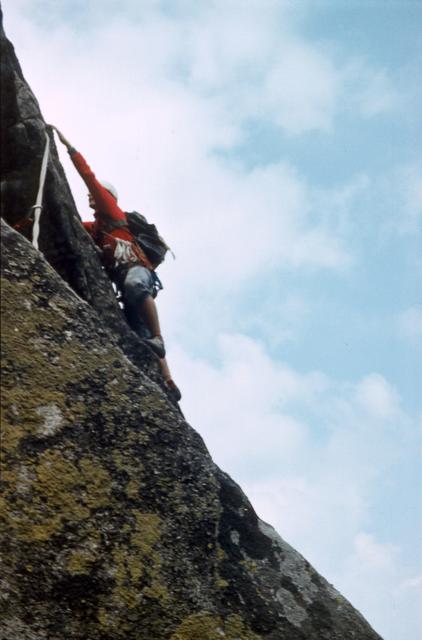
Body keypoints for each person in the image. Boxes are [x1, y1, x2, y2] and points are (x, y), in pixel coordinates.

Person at [51, 125, 181, 402]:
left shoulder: (112, 213)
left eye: (96, 195)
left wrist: (70, 148)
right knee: (140, 336)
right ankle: (167, 381)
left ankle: (159, 336)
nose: (90, 198)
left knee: (136, 287)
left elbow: (89, 179)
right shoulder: (96, 228)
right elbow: (68, 222)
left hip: (136, 272)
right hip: (123, 283)